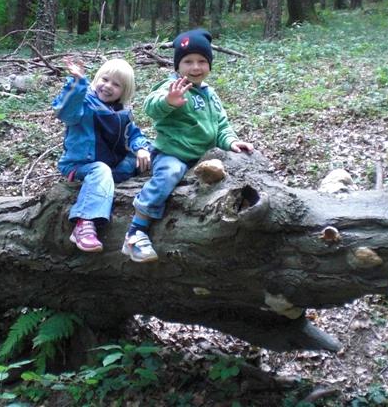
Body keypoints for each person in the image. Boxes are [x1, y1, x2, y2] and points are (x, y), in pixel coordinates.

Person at [122, 29, 254, 263]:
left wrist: (232, 141)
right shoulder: (173, 86)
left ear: (209, 64)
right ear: (177, 66)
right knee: (169, 174)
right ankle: (136, 231)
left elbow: (221, 125)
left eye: (202, 61)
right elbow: (150, 107)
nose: (195, 67)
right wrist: (168, 102)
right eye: (188, 61)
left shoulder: (210, 93)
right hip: (172, 153)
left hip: (203, 157)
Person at [52, 57, 151, 253]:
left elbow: (133, 134)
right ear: (96, 78)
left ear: (124, 91)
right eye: (105, 79)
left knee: (151, 151)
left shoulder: (122, 112)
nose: (107, 86)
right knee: (101, 170)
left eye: (116, 84)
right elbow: (64, 112)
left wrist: (141, 148)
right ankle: (84, 223)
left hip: (113, 168)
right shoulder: (84, 103)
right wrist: (78, 83)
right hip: (82, 166)